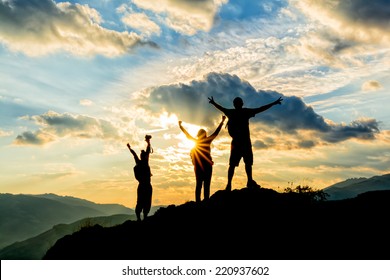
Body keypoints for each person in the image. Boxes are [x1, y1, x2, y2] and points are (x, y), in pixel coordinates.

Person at [208, 95, 283, 191]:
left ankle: (231, 184)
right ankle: (247, 181)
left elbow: (221, 108)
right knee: (246, 164)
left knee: (234, 165)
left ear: (234, 104)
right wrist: (274, 103)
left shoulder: (232, 112)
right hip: (244, 143)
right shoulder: (245, 112)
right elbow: (261, 109)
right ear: (242, 104)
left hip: (237, 144)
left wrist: (213, 103)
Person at [179, 115, 226, 202]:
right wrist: (222, 122)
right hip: (206, 166)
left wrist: (181, 126)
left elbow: (187, 135)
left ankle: (199, 202)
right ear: (204, 134)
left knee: (199, 184)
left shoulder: (196, 141)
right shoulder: (207, 140)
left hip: (199, 166)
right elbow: (216, 132)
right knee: (205, 185)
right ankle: (205, 202)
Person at [127, 135, 153, 221]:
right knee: (144, 202)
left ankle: (141, 217)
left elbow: (137, 153)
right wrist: (148, 142)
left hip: (143, 186)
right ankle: (140, 217)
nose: (144, 155)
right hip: (145, 186)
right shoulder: (144, 162)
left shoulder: (140, 162)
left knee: (144, 202)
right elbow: (145, 151)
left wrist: (129, 148)